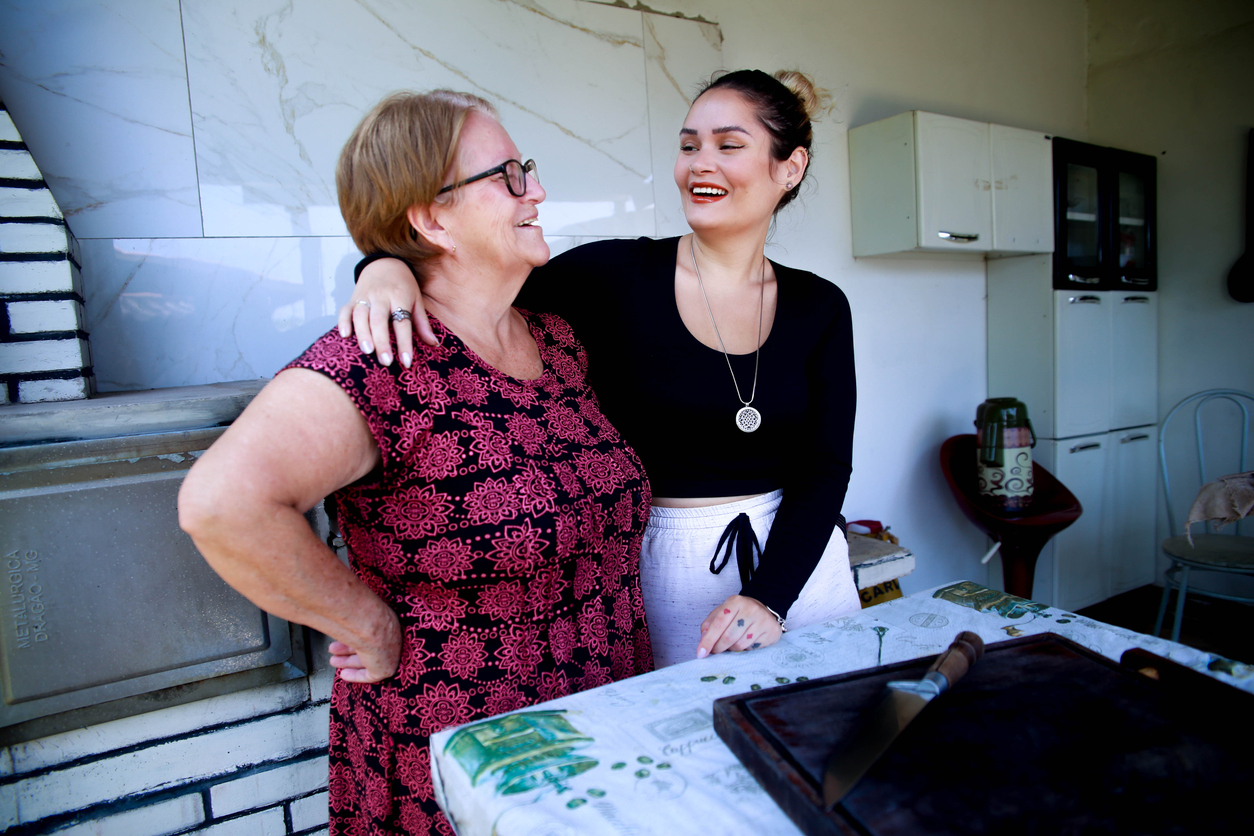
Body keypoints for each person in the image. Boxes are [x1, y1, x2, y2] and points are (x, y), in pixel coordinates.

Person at [179, 90, 653, 836]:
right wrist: (362, 623)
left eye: (526, 168)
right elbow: (221, 505)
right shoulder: (381, 363)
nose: (538, 191)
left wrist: (382, 266)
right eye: (508, 176)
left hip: (602, 733)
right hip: (465, 764)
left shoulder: (558, 343)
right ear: (431, 218)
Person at [345, 70, 861, 668]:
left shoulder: (820, 306)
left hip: (801, 572)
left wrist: (770, 598)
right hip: (666, 577)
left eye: (729, 145)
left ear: (789, 167)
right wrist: (382, 267)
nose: (699, 163)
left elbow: (825, 467)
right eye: (689, 145)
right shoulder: (613, 277)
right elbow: (470, 278)